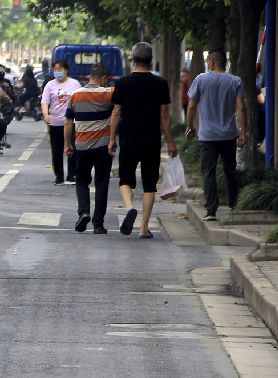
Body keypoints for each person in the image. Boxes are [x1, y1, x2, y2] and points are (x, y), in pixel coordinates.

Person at [109, 42, 178, 237]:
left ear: (133, 60)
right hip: (151, 139)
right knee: (149, 184)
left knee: (125, 179)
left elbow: (116, 112)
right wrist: (171, 141)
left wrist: (112, 138)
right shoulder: (160, 83)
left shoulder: (122, 82)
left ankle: (130, 207)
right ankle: (143, 228)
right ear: (151, 61)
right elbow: (164, 115)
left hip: (128, 138)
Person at [185, 49, 247, 221]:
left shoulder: (201, 80)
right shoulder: (235, 81)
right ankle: (234, 206)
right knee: (230, 170)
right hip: (228, 135)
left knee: (208, 172)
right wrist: (243, 132)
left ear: (211, 62)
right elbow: (241, 107)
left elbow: (191, 106)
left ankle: (211, 210)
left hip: (207, 136)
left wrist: (190, 126)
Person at [64, 63, 115, 234]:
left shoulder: (75, 95)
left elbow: (68, 122)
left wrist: (67, 145)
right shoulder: (109, 93)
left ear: (88, 77)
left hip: (81, 146)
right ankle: (98, 224)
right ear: (103, 78)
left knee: (82, 181)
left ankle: (84, 211)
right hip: (103, 147)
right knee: (101, 184)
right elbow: (118, 112)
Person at [42, 59, 82, 185]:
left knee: (72, 148)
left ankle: (71, 175)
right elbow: (45, 101)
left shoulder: (75, 84)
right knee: (56, 149)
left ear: (66, 70)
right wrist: (45, 114)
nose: (57, 72)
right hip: (55, 123)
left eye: (59, 69)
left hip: (72, 122)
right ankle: (59, 176)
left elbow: (80, 101)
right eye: (55, 69)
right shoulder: (50, 85)